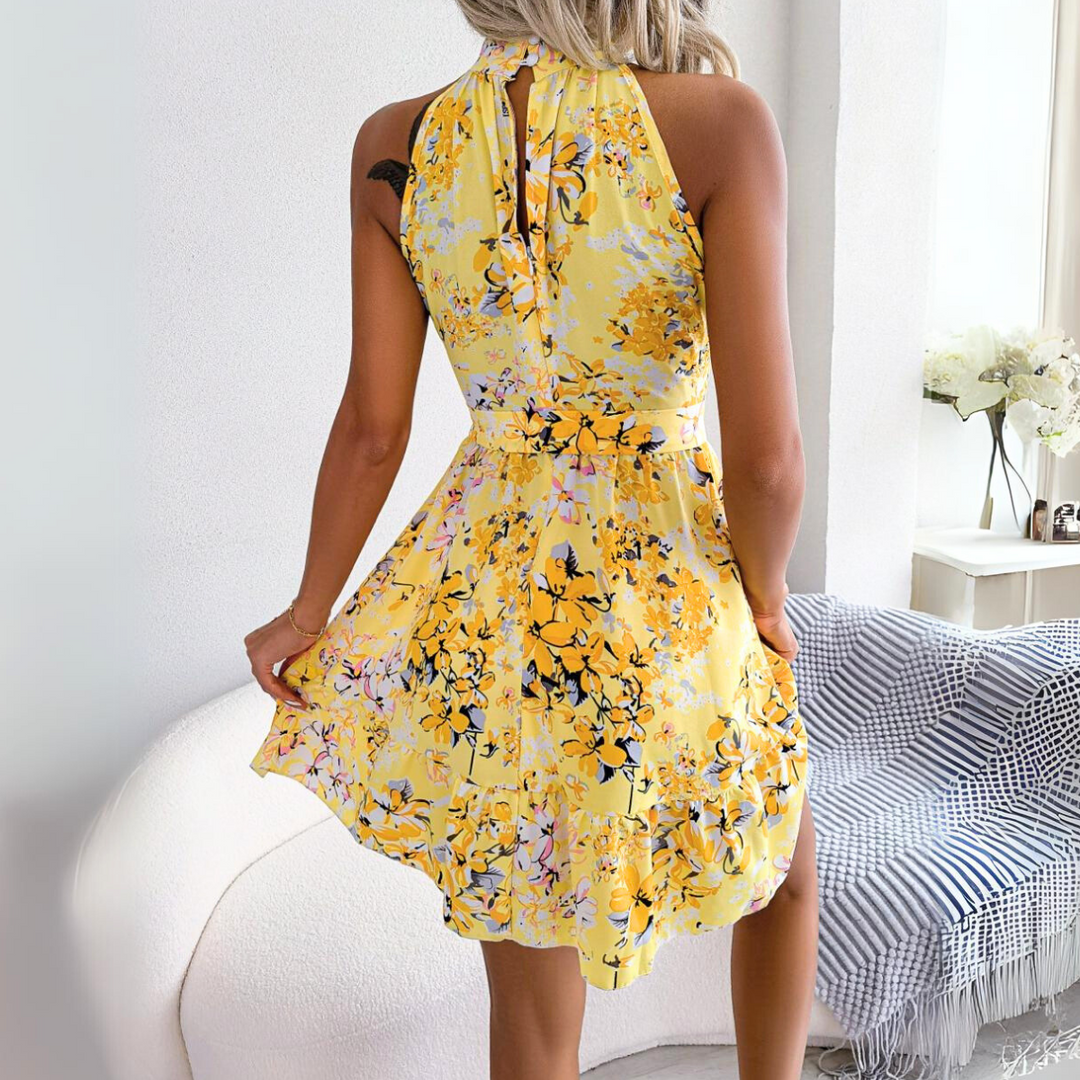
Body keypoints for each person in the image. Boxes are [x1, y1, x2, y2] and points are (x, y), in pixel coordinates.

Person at [245, 3, 816, 1078]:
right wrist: (770, 596)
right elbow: (770, 460)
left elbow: (374, 427)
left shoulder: (394, 144)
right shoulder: (721, 123)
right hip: (669, 573)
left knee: (528, 952)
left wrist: (308, 610)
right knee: (779, 860)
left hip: (488, 591)